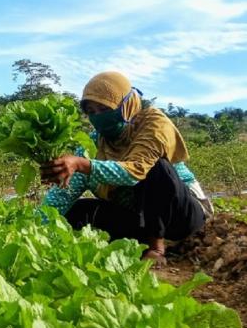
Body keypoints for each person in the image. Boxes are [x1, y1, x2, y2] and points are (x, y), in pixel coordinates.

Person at [39, 71, 213, 265]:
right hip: (139, 218)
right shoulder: (93, 144)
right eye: (92, 112)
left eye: (104, 109)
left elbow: (134, 171)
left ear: (126, 105)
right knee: (76, 211)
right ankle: (141, 242)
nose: (98, 117)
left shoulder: (153, 124)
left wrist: (81, 164)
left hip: (182, 215)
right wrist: (33, 227)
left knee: (156, 167)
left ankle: (157, 247)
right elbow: (62, 196)